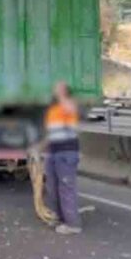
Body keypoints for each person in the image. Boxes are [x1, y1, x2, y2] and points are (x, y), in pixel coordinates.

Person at [42, 80, 82, 234]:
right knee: (52, 186)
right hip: (53, 151)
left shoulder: (69, 104)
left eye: (59, 89)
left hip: (67, 152)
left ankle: (73, 224)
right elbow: (50, 133)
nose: (55, 90)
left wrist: (62, 95)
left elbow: (71, 110)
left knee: (66, 187)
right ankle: (60, 217)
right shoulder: (53, 110)